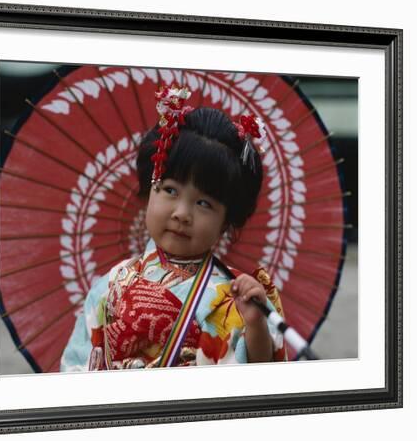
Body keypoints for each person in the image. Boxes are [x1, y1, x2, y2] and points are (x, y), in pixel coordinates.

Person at [60, 85, 287, 371]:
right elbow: (77, 366)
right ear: (148, 190)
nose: (182, 213)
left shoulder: (239, 295)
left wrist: (255, 324)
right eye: (170, 189)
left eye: (204, 204)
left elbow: (263, 379)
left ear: (226, 221)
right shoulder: (110, 286)